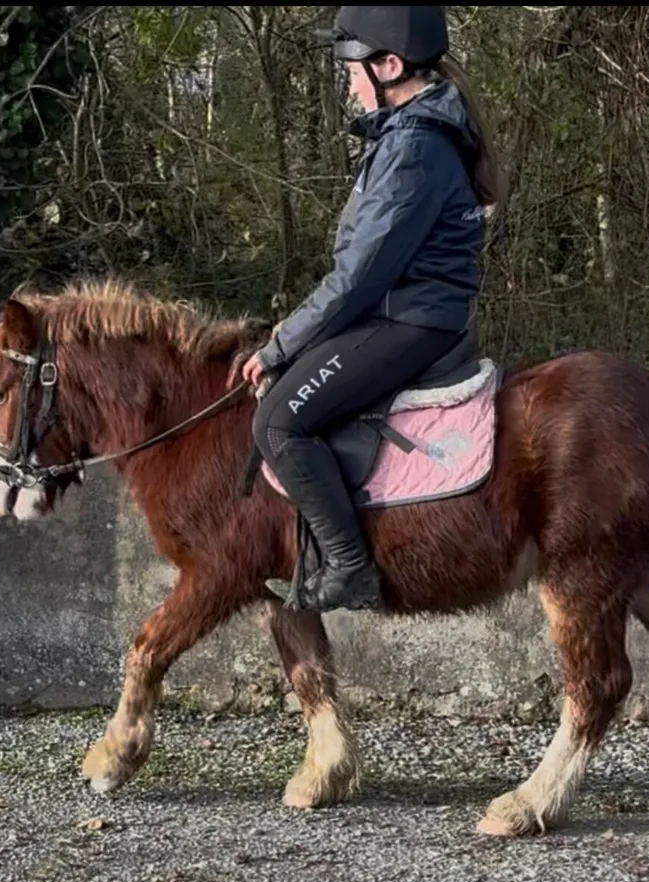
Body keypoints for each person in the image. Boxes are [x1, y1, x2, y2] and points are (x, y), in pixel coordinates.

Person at [243, 5, 501, 612]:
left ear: (390, 66)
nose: (349, 82)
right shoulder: (408, 137)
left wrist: (282, 344)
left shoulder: (414, 147)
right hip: (401, 314)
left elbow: (359, 277)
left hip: (406, 320)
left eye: (352, 68)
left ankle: (350, 567)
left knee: (278, 422)